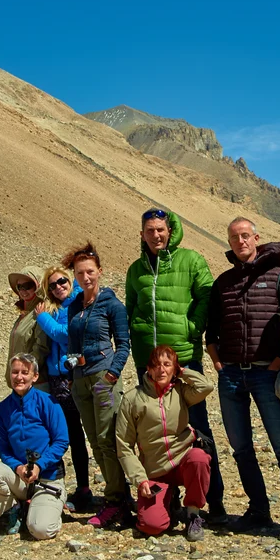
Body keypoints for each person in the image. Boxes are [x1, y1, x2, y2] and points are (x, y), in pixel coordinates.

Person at [205, 217, 280, 540]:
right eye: (235, 237)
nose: (241, 242)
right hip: (232, 376)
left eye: (246, 236)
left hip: (267, 373)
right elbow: (212, 330)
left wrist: (278, 362)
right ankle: (258, 509)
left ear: (257, 238)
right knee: (240, 447)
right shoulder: (223, 282)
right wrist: (218, 362)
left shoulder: (277, 278)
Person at [125, 207, 227, 524]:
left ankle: (215, 503)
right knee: (153, 431)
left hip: (183, 359)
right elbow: (132, 309)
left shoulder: (191, 261)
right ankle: (166, 497)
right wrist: (138, 337)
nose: (156, 235)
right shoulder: (136, 271)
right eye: (150, 230)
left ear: (170, 231)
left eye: (161, 229)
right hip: (148, 364)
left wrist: (191, 329)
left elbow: (207, 298)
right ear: (142, 234)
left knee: (197, 428)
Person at [64, 242, 132, 528]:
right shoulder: (74, 307)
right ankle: (117, 498)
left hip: (103, 379)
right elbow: (71, 344)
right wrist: (71, 364)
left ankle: (117, 500)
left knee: (107, 440)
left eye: (90, 272)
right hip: (80, 382)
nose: (86, 278)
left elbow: (123, 344)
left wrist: (112, 376)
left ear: (99, 272)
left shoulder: (112, 304)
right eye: (80, 273)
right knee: (94, 441)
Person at [116, 345, 214, 541]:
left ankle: (193, 514)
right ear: (149, 369)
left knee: (199, 458)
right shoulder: (132, 399)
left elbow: (206, 387)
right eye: (157, 365)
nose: (161, 370)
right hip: (155, 471)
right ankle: (168, 502)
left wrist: (183, 372)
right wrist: (140, 479)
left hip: (181, 462)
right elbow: (124, 446)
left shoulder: (181, 391)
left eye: (167, 365)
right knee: (152, 526)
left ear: (174, 369)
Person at [0, 353, 69, 539]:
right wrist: (18, 468)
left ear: (34, 376)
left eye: (25, 372)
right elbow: (4, 450)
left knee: (41, 530)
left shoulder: (48, 403)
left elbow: (61, 441)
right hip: (19, 477)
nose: (19, 377)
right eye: (15, 372)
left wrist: (40, 465)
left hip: (47, 480)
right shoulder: (2, 409)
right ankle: (13, 509)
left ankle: (48, 508)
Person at [35, 266, 93, 512]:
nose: (58, 287)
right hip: (57, 378)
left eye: (61, 281)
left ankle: (84, 488)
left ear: (70, 280)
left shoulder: (77, 305)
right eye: (52, 285)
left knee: (80, 434)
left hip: (72, 375)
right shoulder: (57, 308)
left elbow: (63, 335)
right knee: (64, 432)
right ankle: (67, 486)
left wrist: (42, 318)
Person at [7, 266, 50, 386]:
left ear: (38, 285)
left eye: (28, 286)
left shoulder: (41, 312)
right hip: (22, 380)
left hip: (34, 382)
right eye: (20, 287)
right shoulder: (25, 313)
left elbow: (41, 348)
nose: (23, 290)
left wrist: (25, 372)